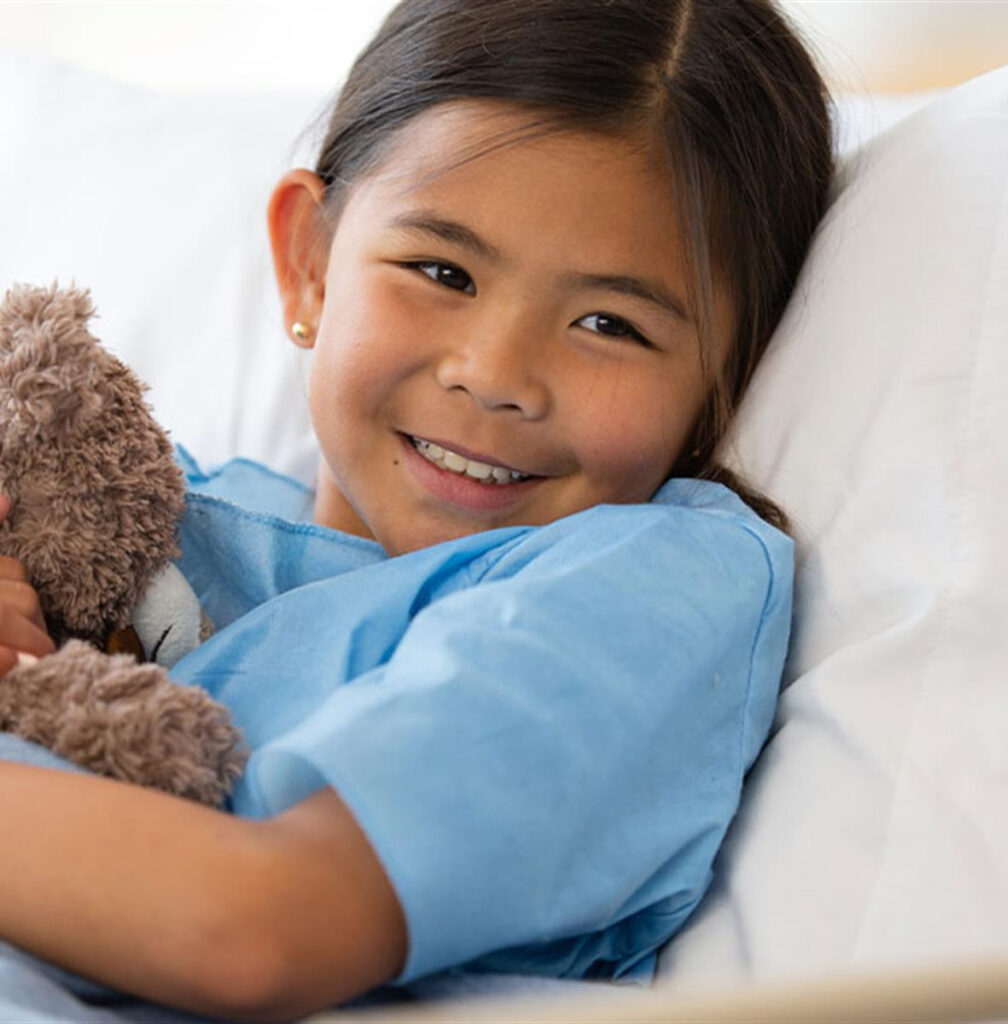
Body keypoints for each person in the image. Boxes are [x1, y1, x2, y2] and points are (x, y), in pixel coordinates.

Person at [0, 0, 833, 1019]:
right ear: (309, 260)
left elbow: (259, 925)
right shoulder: (118, 498)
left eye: (609, 323)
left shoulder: (650, 581)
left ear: (721, 381)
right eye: (442, 271)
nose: (493, 377)